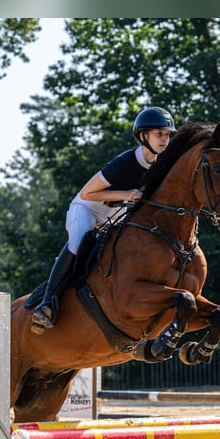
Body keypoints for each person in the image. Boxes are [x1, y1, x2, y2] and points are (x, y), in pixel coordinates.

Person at [31, 106, 176, 333]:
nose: (165, 140)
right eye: (159, 134)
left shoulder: (162, 166)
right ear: (142, 136)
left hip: (115, 217)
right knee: (79, 242)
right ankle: (47, 303)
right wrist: (124, 195)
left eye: (167, 134)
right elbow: (87, 193)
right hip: (87, 209)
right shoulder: (124, 163)